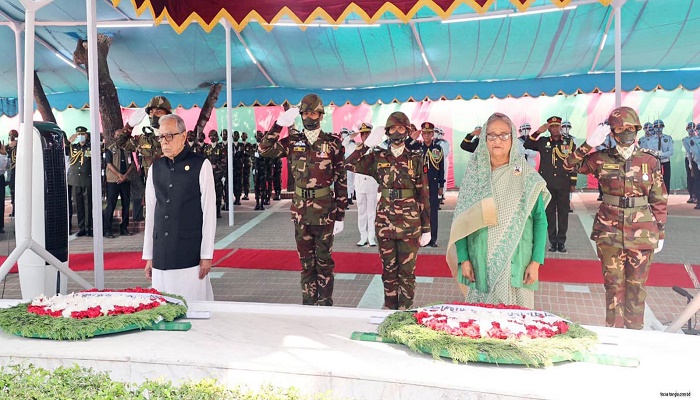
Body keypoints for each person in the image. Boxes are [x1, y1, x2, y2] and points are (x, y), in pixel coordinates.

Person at [564, 107, 667, 329]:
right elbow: (568, 165)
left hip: (642, 233)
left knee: (637, 287)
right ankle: (615, 332)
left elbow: (659, 198)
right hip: (609, 232)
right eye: (620, 129)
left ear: (637, 130)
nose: (625, 132)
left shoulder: (649, 160)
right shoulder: (600, 158)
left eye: (630, 128)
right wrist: (588, 144)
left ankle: (635, 333)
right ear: (612, 132)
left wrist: (660, 232)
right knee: (613, 286)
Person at [446, 112, 549, 309]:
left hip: (517, 262)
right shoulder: (475, 176)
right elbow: (462, 220)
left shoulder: (527, 176)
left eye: (504, 135)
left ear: (512, 138)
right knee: (480, 320)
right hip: (479, 261)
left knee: (515, 321)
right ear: (484, 139)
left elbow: (540, 220)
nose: (497, 140)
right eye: (491, 135)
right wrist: (464, 259)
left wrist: (536, 262)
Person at [259, 93, 347, 306]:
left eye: (313, 113)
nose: (309, 117)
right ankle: (308, 304)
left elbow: (341, 179)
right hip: (300, 211)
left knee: (324, 262)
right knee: (306, 264)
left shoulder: (333, 143)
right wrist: (278, 125)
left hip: (325, 211)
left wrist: (341, 215)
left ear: (321, 115)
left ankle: (325, 304)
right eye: (306, 113)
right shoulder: (292, 141)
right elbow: (264, 149)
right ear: (301, 115)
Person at [346, 112, 431, 310]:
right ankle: (390, 308)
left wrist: (427, 228)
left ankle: (405, 310)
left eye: (401, 128)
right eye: (393, 128)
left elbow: (423, 194)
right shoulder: (377, 157)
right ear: (387, 132)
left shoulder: (416, 158)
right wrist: (366, 145)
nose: (397, 132)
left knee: (407, 272)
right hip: (385, 221)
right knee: (389, 270)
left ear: (407, 131)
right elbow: (349, 164)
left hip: (409, 223)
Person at [143, 114, 216, 302]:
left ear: (183, 136)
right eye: (161, 136)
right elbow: (151, 213)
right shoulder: (156, 168)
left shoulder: (200, 165)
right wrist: (149, 255)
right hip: (161, 251)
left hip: (188, 251)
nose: (164, 141)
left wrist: (206, 255)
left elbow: (209, 212)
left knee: (191, 306)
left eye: (169, 135)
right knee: (163, 305)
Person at [524, 116, 577, 253]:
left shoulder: (569, 142)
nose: (554, 129)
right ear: (549, 129)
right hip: (547, 184)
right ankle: (553, 242)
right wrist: (538, 132)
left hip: (563, 183)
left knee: (563, 214)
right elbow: (527, 145)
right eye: (551, 127)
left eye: (556, 126)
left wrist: (573, 182)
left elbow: (574, 163)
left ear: (560, 127)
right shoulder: (542, 141)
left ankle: (561, 242)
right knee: (549, 213)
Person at [353, 123, 379, 247]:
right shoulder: (356, 148)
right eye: (363, 134)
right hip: (359, 184)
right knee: (361, 211)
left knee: (371, 212)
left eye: (367, 133)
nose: (365, 136)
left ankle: (371, 237)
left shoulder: (376, 149)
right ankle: (363, 236)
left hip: (371, 183)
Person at [103, 130, 134, 238]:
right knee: (111, 204)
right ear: (114, 136)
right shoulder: (110, 149)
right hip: (113, 181)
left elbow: (132, 164)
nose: (120, 137)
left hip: (125, 180)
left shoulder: (127, 149)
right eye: (118, 135)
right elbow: (109, 165)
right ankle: (107, 229)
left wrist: (125, 176)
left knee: (126, 204)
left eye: (121, 135)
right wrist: (119, 175)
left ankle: (124, 228)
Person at [65, 126, 93, 237]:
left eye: (83, 134)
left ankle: (88, 227)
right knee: (79, 204)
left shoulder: (91, 147)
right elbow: (65, 148)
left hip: (87, 178)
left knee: (88, 204)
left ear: (86, 135)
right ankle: (82, 228)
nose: (81, 136)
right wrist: (69, 140)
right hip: (75, 179)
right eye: (79, 134)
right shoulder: (73, 147)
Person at [421, 122, 444, 247]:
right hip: (420, 186)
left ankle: (433, 239)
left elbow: (441, 168)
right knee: (421, 212)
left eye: (429, 133)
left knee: (433, 213)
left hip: (433, 185)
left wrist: (441, 185)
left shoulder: (437, 149)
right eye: (424, 133)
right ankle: (422, 238)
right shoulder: (417, 148)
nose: (427, 135)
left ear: (432, 134)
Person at [640, 120, 673, 191]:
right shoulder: (649, 140)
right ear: (653, 128)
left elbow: (670, 152)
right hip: (654, 163)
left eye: (660, 127)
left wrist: (661, 154)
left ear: (663, 127)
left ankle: (666, 195)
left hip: (665, 162)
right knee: (654, 180)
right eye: (656, 127)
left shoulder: (668, 138)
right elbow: (650, 151)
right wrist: (656, 154)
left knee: (666, 180)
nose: (658, 129)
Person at [204, 129, 227, 218]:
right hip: (209, 175)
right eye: (211, 136)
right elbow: (204, 161)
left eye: (214, 136)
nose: (212, 138)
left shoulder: (221, 148)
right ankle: (211, 211)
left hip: (218, 175)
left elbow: (224, 161)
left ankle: (218, 211)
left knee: (218, 193)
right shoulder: (207, 148)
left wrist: (217, 166)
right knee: (209, 194)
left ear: (217, 137)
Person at [253, 130, 270, 211]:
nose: (258, 138)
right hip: (256, 170)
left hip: (263, 170)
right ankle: (257, 203)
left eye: (259, 136)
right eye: (257, 136)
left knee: (263, 187)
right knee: (256, 187)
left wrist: (259, 156)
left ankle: (262, 203)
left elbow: (267, 158)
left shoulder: (264, 147)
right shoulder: (254, 147)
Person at [340, 128, 356, 207]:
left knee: (353, 181)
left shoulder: (354, 145)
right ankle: (348, 197)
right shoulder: (345, 144)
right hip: (347, 165)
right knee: (348, 182)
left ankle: (351, 195)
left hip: (354, 165)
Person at [435, 127, 450, 205]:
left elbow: (446, 153)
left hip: (443, 161)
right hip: (434, 162)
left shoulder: (444, 142)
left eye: (437, 132)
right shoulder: (431, 142)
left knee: (443, 177)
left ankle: (441, 195)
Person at [682, 122, 696, 204]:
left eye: (693, 127)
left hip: (697, 159)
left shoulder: (697, 138)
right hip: (689, 159)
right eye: (689, 128)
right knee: (690, 177)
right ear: (687, 129)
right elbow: (688, 151)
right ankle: (691, 195)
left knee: (697, 178)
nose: (691, 129)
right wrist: (690, 164)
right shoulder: (685, 140)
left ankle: (696, 195)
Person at [7, 130, 17, 217]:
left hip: (17, 172)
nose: (11, 139)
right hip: (12, 172)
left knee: (16, 192)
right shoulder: (9, 148)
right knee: (12, 192)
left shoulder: (19, 147)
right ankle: (14, 210)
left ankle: (16, 211)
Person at [231, 131, 243, 205]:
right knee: (232, 183)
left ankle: (238, 198)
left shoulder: (241, 145)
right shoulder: (230, 145)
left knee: (238, 183)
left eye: (236, 136)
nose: (235, 137)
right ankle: (234, 197)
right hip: (232, 167)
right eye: (234, 136)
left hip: (238, 167)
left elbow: (244, 155)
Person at [0, 139, 9, 234]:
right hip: (1, 178)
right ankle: (0, 226)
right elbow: (7, 167)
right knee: (0, 203)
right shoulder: (3, 155)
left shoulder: (2, 156)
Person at [241, 132, 252, 200]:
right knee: (240, 179)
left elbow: (249, 153)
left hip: (247, 164)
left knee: (246, 179)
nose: (243, 137)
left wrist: (244, 152)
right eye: (242, 136)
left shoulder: (249, 145)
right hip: (240, 164)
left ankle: (246, 193)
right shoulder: (240, 145)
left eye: (245, 136)